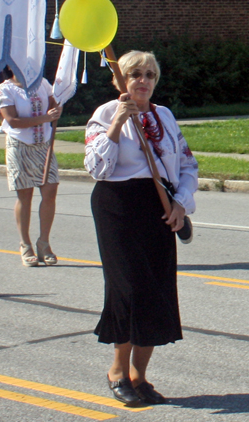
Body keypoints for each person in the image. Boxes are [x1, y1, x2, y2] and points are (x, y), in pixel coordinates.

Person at [84, 50, 198, 407]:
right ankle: (117, 371)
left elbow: (187, 164)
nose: (143, 81)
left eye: (149, 75)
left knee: (156, 289)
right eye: (135, 74)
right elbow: (96, 167)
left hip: (159, 207)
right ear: (122, 79)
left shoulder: (164, 116)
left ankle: (140, 376)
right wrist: (118, 123)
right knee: (129, 289)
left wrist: (181, 203)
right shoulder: (105, 113)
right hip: (118, 205)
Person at [0, 68, 62, 267]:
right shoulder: (5, 89)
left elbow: (53, 106)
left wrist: (57, 110)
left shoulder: (42, 83)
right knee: (25, 196)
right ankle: (25, 244)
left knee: (50, 192)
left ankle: (44, 243)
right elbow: (12, 121)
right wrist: (45, 118)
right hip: (20, 145)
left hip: (44, 145)